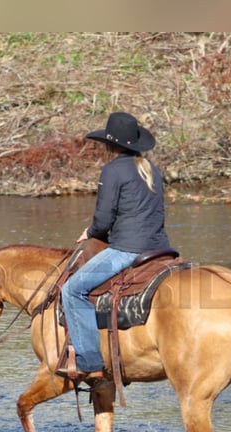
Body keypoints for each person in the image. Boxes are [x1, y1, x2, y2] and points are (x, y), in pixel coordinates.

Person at [60, 111, 171, 384]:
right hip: (160, 247)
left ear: (110, 145)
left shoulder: (112, 170)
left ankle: (89, 362)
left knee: (72, 289)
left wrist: (92, 232)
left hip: (127, 249)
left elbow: (103, 218)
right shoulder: (151, 169)